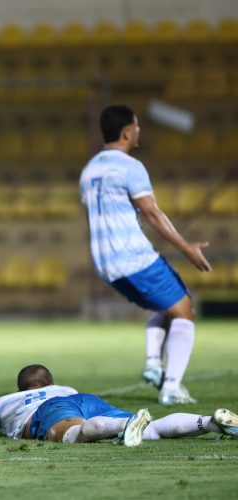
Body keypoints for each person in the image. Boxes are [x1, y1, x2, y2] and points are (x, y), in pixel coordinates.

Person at [79, 105, 212, 405]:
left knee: (169, 305)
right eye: (137, 126)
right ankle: (172, 387)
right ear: (128, 131)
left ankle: (154, 364)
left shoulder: (89, 171)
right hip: (133, 257)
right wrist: (186, 247)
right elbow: (151, 212)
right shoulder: (130, 166)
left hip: (105, 264)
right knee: (185, 310)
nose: (139, 131)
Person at [0, 364, 238, 446]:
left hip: (50, 413)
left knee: (79, 433)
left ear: (20, 388)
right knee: (151, 431)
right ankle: (211, 422)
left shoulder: (5, 402)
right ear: (50, 381)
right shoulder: (64, 388)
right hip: (81, 398)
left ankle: (126, 425)